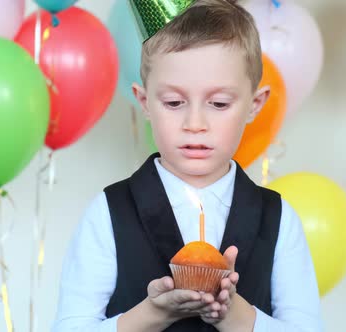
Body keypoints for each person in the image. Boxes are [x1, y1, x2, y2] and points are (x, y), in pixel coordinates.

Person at [52, 0, 323, 331]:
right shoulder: (110, 212)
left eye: (219, 103)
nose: (195, 123)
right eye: (174, 102)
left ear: (255, 105)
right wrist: (152, 314)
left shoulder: (278, 219)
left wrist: (235, 316)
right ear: (145, 101)